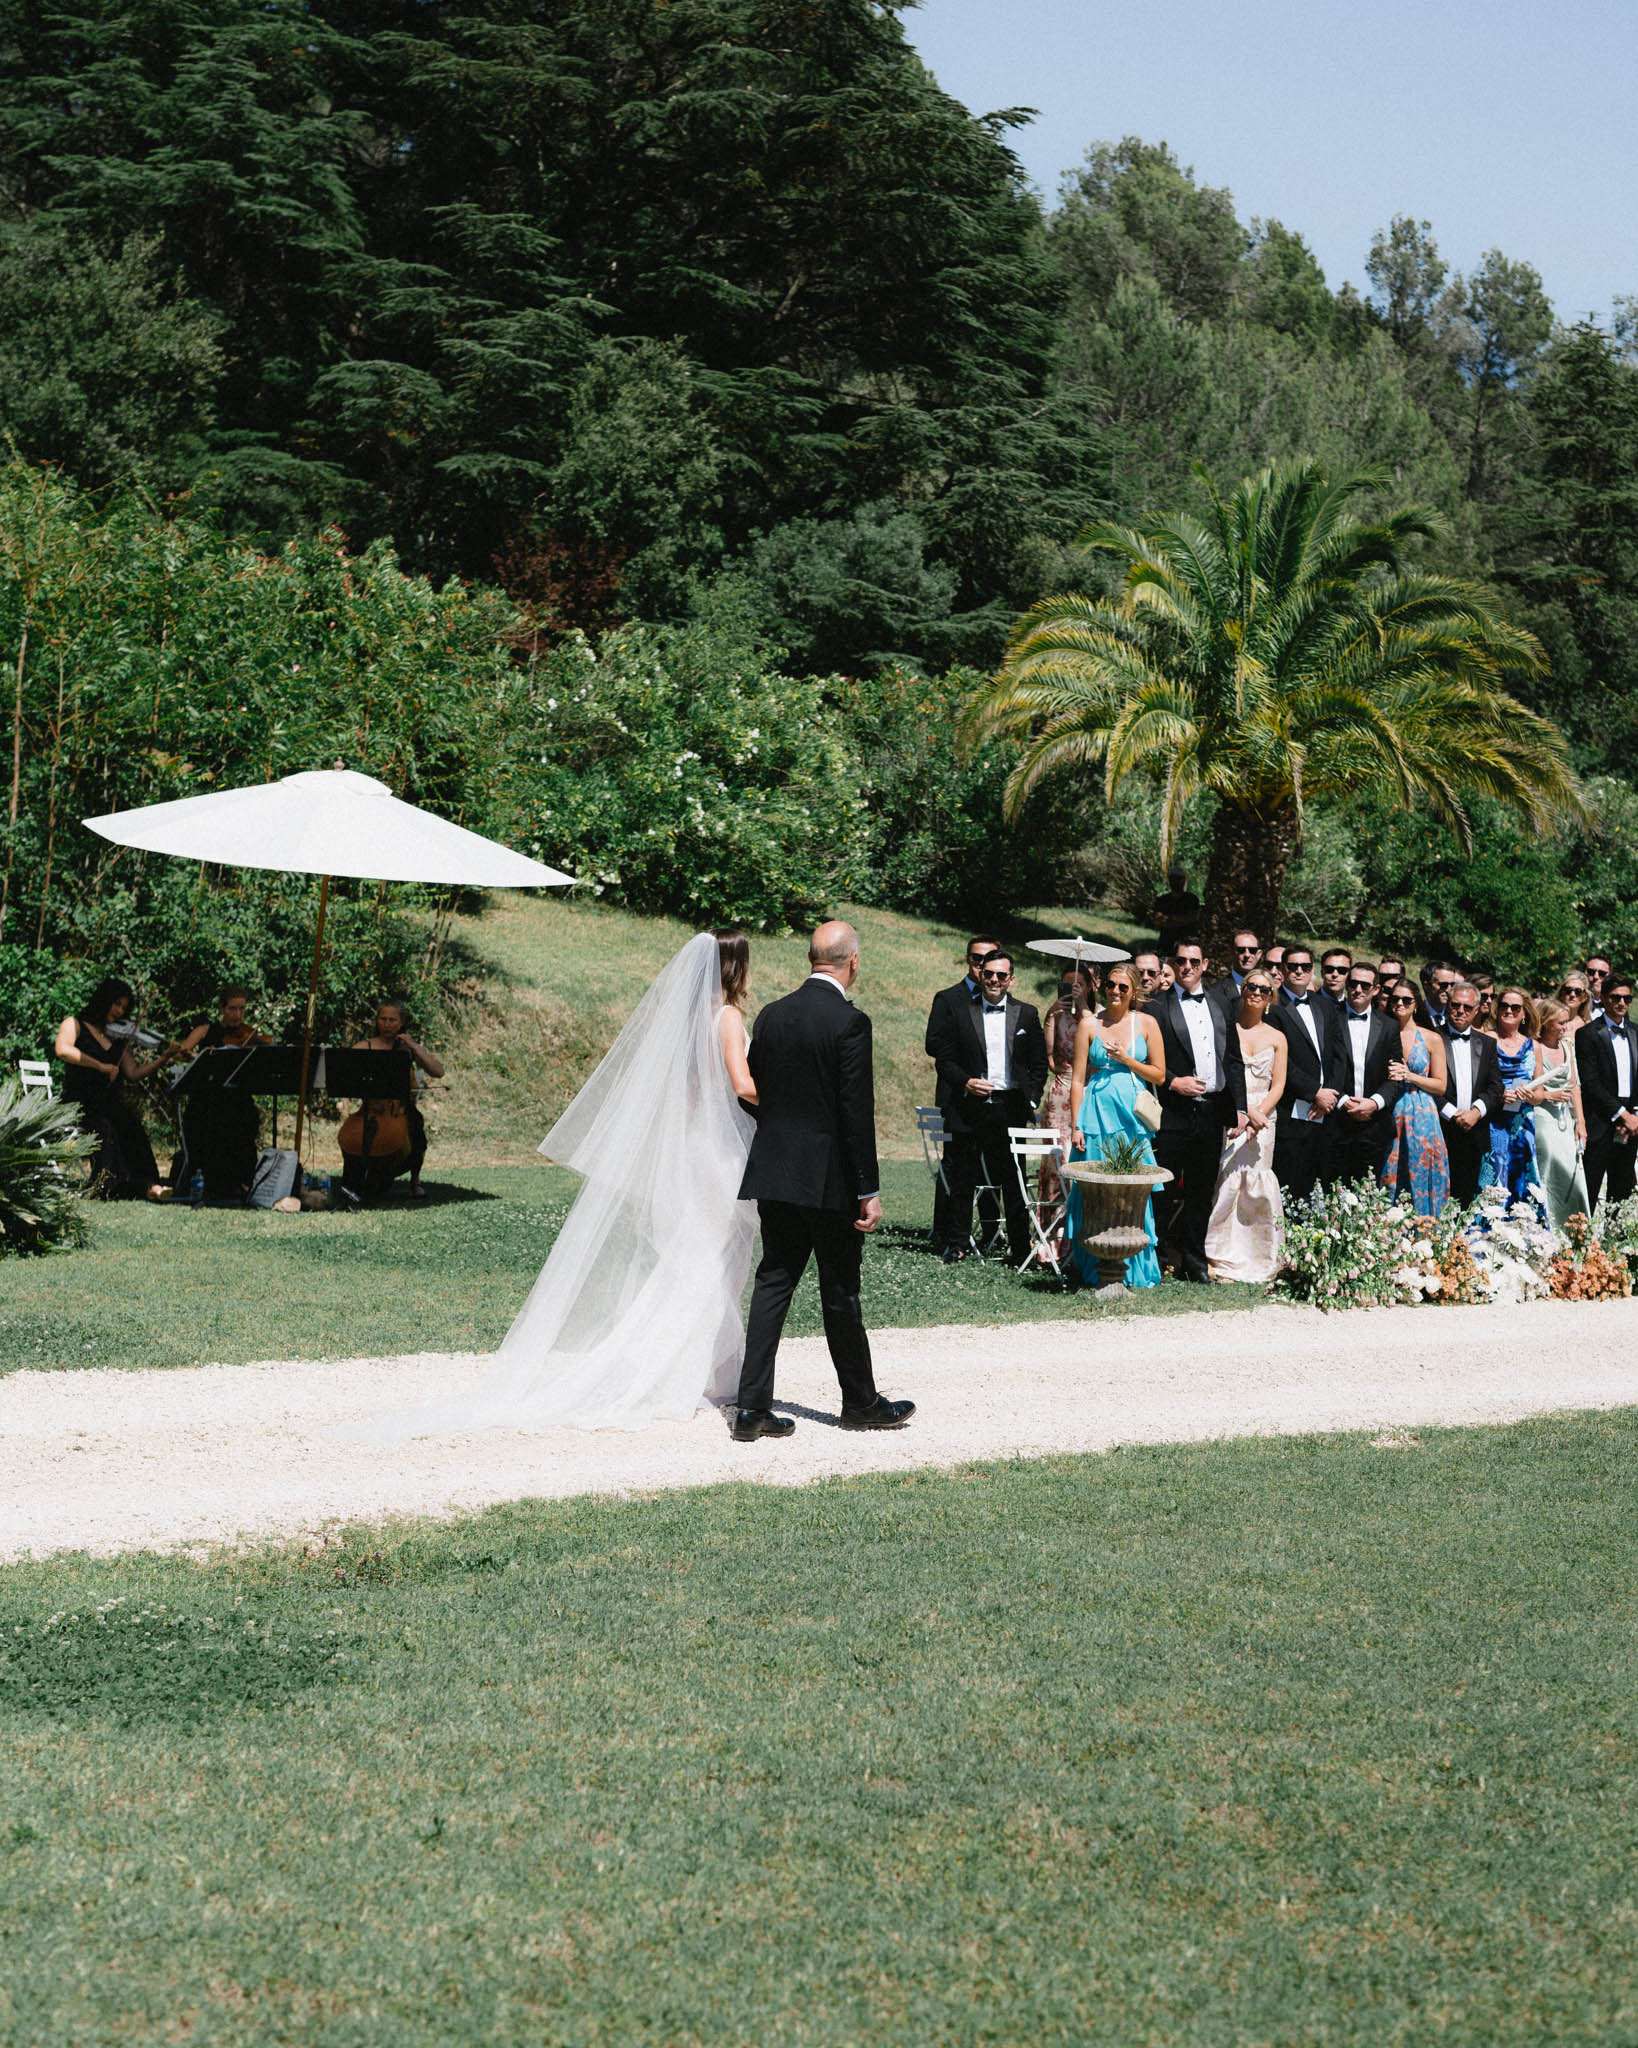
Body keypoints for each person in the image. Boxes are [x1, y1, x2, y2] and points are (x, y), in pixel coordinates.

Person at [353, 932, 763, 1437]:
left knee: (690, 1259)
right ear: (734, 968)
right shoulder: (727, 1018)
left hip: (691, 1147)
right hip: (716, 1154)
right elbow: (742, 1085)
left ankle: (699, 1368)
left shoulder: (682, 1023)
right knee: (716, 1261)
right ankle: (695, 1371)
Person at [735, 920, 914, 1440]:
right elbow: (855, 1112)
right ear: (852, 962)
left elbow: (751, 1089)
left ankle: (751, 1409)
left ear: (811, 959)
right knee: (840, 1291)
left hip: (775, 1171)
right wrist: (869, 1189)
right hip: (831, 1181)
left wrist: (776, 1139)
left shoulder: (771, 1015)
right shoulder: (849, 1022)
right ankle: (859, 1402)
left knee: (773, 1283)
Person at [928, 950, 1049, 1268]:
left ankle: (1021, 1248)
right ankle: (957, 1244)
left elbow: (1039, 1064)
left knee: (1014, 1179)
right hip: (970, 1105)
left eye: (1001, 975)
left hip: (1009, 1107)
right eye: (989, 974)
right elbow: (944, 1060)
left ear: (1012, 979)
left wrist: (1032, 1098)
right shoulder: (960, 1011)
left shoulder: (1027, 1013)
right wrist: (966, 1081)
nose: (994, 980)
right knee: (963, 1178)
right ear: (980, 974)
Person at [1144, 938, 1248, 1281]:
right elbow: (1147, 1058)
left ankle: (1194, 1261)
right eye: (1181, 961)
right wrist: (1173, 1082)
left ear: (1204, 965)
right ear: (1173, 965)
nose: (1186, 967)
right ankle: (1157, 1258)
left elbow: (1233, 1059)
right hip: (1174, 1109)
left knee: (1202, 1191)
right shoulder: (1157, 1006)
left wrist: (1241, 1108)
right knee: (1164, 1187)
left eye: (1193, 961)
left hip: (1212, 1110)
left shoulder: (1221, 1002)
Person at [1065, 963, 1166, 1288]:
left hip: (1131, 1118)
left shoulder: (1146, 1023)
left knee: (1132, 1190)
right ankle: (1093, 1263)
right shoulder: (1089, 1024)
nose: (1116, 991)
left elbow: (1159, 1075)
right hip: (1094, 1114)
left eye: (1123, 987)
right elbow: (1078, 1079)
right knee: (1093, 1189)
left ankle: (1135, 1265)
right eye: (1111, 984)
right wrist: (1076, 1124)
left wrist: (1127, 1060)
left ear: (1134, 991)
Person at [54, 978, 180, 1201]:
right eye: (116, 1004)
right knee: (106, 1128)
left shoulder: (118, 1037)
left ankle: (148, 1183)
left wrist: (164, 1057)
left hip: (107, 1103)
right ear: (104, 1000)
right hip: (78, 1103)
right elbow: (63, 1050)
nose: (120, 1011)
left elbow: (133, 1073)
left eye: (124, 1007)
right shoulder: (75, 1024)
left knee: (132, 1126)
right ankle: (112, 1185)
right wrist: (100, 1065)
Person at [1204, 972, 1286, 1284]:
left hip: (1265, 1118)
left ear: (1270, 998)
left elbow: (1278, 1085)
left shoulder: (1277, 1037)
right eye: (1251, 986)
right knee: (1228, 1181)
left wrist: (1258, 1115)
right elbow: (1224, 1074)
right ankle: (1221, 1256)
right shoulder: (1227, 1029)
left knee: (1258, 1184)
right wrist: (1243, 1112)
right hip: (1233, 1109)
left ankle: (1260, 1256)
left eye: (1264, 990)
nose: (1257, 993)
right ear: (1243, 990)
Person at [924, 935, 1000, 1253]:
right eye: (977, 958)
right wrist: (964, 1076)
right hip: (958, 1097)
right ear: (968, 960)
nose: (983, 965)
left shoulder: (1002, 999)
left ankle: (992, 1234)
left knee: (991, 1165)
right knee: (955, 1166)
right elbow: (934, 1046)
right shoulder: (948, 999)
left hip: (994, 1101)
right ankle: (947, 1235)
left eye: (989, 958)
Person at [341, 998, 445, 1202]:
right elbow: (345, 1071)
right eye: (383, 1019)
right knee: (354, 1137)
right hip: (370, 1109)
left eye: (393, 1020)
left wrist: (414, 1046)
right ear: (377, 1021)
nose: (387, 1024)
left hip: (401, 1109)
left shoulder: (407, 1048)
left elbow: (437, 1071)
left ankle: (414, 1182)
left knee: (416, 1129)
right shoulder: (365, 1046)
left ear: (401, 1022)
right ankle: (353, 1178)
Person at [173, 988, 269, 1201]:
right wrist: (199, 1058)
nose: (238, 1015)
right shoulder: (205, 1031)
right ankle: (216, 1182)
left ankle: (243, 1183)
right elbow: (181, 1053)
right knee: (212, 1119)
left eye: (242, 1009)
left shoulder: (249, 1034)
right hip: (208, 1098)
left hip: (237, 1098)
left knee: (245, 1118)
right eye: (232, 1009)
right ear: (222, 1008)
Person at [1268, 946, 1346, 1204]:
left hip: (1328, 1110)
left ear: (1312, 970)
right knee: (1292, 1182)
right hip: (1293, 1110)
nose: (1299, 971)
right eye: (1292, 966)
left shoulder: (1325, 1005)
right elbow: (1281, 1062)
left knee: (1323, 1181)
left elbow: (1339, 1054)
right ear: (1282, 971)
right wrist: (1314, 1092)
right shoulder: (1273, 1007)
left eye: (1304, 966)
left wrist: (1330, 1094)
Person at [1380, 979, 1450, 1216]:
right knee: (1390, 1171)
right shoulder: (1380, 1030)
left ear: (1416, 1005)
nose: (1399, 1004)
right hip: (1389, 1109)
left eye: (1406, 1000)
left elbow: (1440, 1085)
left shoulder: (1431, 1038)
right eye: (1395, 999)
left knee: (1421, 1170)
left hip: (1422, 1112)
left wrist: (1410, 1076)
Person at [1330, 964, 1404, 1185]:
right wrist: (1343, 1101)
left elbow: (1396, 1075)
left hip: (1375, 1124)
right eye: (1353, 983)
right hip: (1336, 1121)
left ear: (1376, 989)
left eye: (1365, 985)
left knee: (1368, 1197)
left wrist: (1374, 1103)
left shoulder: (1389, 1026)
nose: (1358, 989)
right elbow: (1322, 1068)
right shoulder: (1328, 1018)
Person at [1037, 969, 1095, 1245]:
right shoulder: (1056, 1014)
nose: (1073, 989)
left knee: (1083, 1160)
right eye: (1067, 984)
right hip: (1061, 1093)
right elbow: (1049, 1058)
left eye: (1079, 984)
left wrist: (1082, 1005)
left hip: (1089, 1092)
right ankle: (1052, 1239)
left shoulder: (1099, 1015)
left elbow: (1097, 1043)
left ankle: (1082, 1236)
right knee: (1057, 1163)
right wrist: (1051, 1014)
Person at [1440, 984, 1505, 1204]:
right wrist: (1452, 1113)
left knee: (1466, 1199)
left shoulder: (1487, 1043)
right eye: (1455, 1005)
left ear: (1477, 1010)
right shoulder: (1433, 1037)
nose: (1460, 1010)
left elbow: (1496, 1087)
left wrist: (1476, 1112)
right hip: (1440, 1127)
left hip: (1474, 1131)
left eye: (1467, 1007)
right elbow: (1426, 1084)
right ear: (1448, 1005)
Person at [1578, 973, 1638, 1213]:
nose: (1621, 1003)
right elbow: (1590, 1083)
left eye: (1627, 998)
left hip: (1632, 1123)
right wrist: (1622, 1114)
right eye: (1615, 997)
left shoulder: (1636, 1032)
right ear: (1603, 998)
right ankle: (1582, 1247)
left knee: (1622, 1192)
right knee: (1590, 1189)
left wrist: (1635, 1115)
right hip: (1600, 1121)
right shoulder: (1588, 1034)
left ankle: (1618, 1249)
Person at [1532, 998, 1590, 1230]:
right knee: (1551, 1171)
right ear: (1545, 1022)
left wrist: (1581, 1122)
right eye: (1560, 1023)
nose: (1565, 1027)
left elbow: (1574, 1085)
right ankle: (1549, 1228)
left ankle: (1574, 1229)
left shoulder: (1568, 1046)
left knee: (1574, 1175)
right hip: (1543, 1118)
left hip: (1566, 1118)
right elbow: (1530, 1086)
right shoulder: (1536, 1047)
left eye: (1566, 1022)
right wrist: (1548, 1095)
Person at [1484, 990, 1543, 1210]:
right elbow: (1476, 1083)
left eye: (1515, 1008)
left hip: (1523, 1120)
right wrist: (1499, 1096)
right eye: (1504, 1006)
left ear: (1524, 1014)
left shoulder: (1533, 1046)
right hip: (1493, 1117)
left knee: (1521, 1173)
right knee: (1494, 1168)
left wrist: (1530, 1095)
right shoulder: (1487, 1038)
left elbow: (1540, 1094)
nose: (1509, 1010)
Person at [1151, 867, 1202, 959]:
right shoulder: (1162, 900)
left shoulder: (1191, 899)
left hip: (1187, 944)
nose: (1176, 882)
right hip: (1166, 944)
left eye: (1179, 878)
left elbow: (1193, 918)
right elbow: (1157, 920)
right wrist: (1181, 920)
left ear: (1184, 880)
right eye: (1174, 878)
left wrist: (1170, 918)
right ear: (1170, 880)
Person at [1210, 929, 1263, 1013]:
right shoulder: (1214, 992)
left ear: (1259, 954)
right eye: (1241, 950)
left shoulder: (1268, 990)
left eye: (1252, 950)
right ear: (1231, 953)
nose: (1247, 955)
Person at [1421, 960, 1458, 1032]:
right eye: (1443, 985)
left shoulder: (1458, 1016)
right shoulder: (1415, 1015)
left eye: (1452, 985)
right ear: (1427, 986)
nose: (1448, 989)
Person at [1555, 971, 1593, 1039]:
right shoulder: (1549, 1020)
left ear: (1584, 997)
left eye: (1578, 991)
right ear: (1561, 993)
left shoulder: (1587, 1026)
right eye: (1568, 990)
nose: (1572, 995)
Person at [1319, 949, 1353, 1014]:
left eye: (1342, 970)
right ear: (1322, 973)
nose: (1335, 974)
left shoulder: (1353, 1007)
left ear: (1349, 975)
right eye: (1329, 969)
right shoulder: (1309, 1003)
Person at [1585, 955, 1612, 1023]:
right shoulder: (1572, 1000)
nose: (1596, 977)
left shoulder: (1617, 1004)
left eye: (1602, 973)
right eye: (1591, 972)